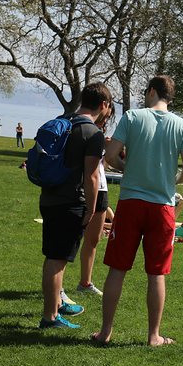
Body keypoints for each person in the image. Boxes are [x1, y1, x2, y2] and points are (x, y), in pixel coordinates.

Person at [93, 75, 183, 347]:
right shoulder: (182, 125)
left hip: (130, 203)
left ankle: (105, 332)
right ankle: (154, 336)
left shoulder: (132, 117)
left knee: (117, 269)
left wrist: (129, 169)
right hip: (162, 206)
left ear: (151, 91)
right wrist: (170, 180)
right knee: (156, 273)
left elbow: (111, 155)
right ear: (170, 98)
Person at [38, 83, 112, 331]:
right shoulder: (92, 132)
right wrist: (91, 210)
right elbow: (91, 176)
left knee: (53, 256)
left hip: (48, 196)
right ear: (103, 105)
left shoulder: (62, 121)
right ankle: (50, 317)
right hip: (70, 202)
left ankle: (55, 306)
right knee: (57, 260)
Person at [76, 107, 114, 296]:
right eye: (107, 114)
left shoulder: (98, 134)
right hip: (85, 188)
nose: (107, 118)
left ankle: (85, 282)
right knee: (72, 240)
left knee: (94, 239)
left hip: (101, 187)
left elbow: (102, 166)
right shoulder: (82, 129)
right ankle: (59, 289)